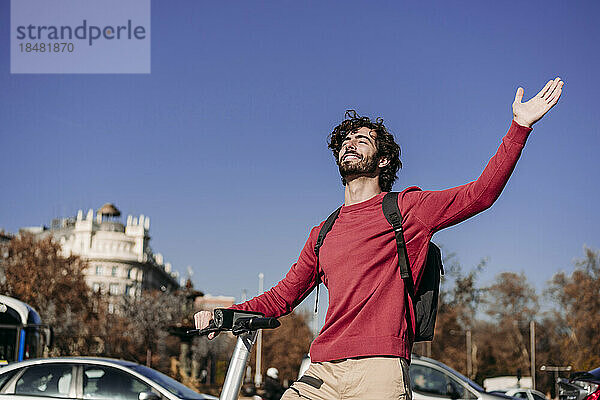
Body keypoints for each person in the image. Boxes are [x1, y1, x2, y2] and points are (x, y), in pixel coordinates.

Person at [194, 78, 564, 399]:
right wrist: (228, 314)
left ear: (383, 160)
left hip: (379, 371)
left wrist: (519, 127)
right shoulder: (323, 232)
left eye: (361, 139)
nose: (350, 143)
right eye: (345, 140)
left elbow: (479, 195)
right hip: (321, 371)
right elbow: (282, 296)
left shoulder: (407, 210)